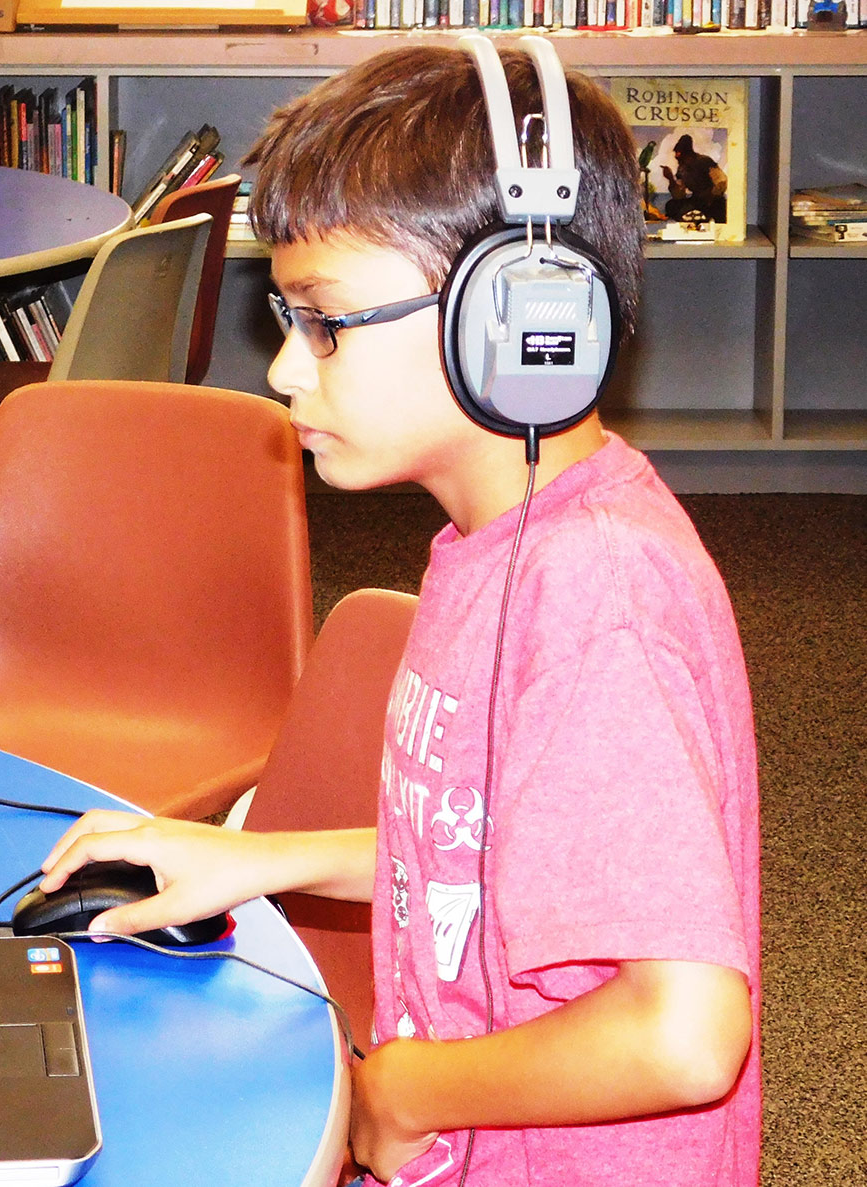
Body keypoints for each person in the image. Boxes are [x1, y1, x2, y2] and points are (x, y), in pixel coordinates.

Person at [38, 45, 761, 1187]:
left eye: (324, 320)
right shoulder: (492, 545)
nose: (283, 367)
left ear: (522, 316)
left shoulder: (596, 595)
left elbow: (684, 1029)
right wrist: (248, 861)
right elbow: (494, 854)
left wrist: (404, 1085)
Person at [662, 133, 728, 224]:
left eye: (679, 153)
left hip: (713, 201)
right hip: (697, 201)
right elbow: (679, 196)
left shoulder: (705, 161)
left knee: (718, 209)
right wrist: (670, 179)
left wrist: (711, 195)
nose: (676, 157)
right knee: (671, 206)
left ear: (688, 153)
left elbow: (722, 181)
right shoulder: (681, 169)